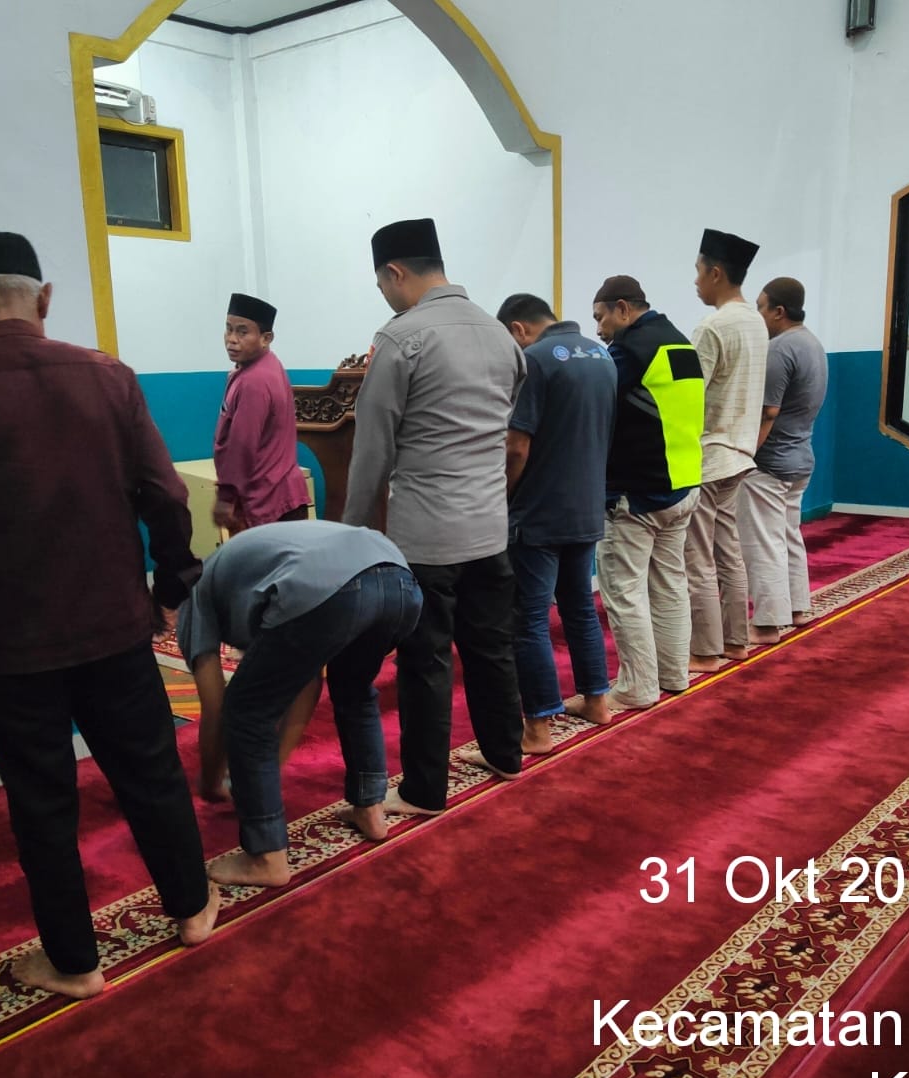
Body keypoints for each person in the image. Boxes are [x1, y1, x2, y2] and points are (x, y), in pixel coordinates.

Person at [0, 231, 219, 1001]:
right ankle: (193, 908)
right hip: (116, 626)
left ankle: (75, 962)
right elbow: (167, 495)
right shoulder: (108, 375)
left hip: (10, 643)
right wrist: (171, 588)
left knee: (42, 804)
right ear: (44, 299)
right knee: (151, 773)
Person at [344, 217, 526, 815]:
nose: (384, 295)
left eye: (382, 284)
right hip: (490, 527)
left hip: (428, 535)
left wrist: (354, 534)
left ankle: (424, 789)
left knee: (426, 660)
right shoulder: (500, 334)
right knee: (491, 646)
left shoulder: (401, 339)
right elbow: (505, 427)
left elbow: (373, 449)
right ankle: (505, 751)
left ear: (396, 272)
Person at [179, 522, 421, 886]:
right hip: (400, 580)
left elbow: (216, 708)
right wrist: (271, 766)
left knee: (246, 712)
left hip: (327, 588)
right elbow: (307, 682)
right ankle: (370, 808)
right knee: (354, 690)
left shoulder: (194, 597)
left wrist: (211, 782)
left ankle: (266, 857)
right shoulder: (245, 575)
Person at [496, 293, 617, 752]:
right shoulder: (601, 356)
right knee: (580, 607)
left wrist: (503, 497)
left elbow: (516, 446)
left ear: (518, 329)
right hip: (585, 504)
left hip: (540, 511)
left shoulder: (535, 360)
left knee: (528, 619)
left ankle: (538, 727)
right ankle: (597, 700)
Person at [590, 275, 704, 711]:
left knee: (625, 591)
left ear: (622, 308)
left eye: (601, 318)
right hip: (683, 484)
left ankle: (637, 687)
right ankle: (673, 674)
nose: (599, 330)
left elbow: (593, 401)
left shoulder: (630, 349)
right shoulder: (679, 341)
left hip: (637, 492)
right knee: (670, 584)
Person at [687, 228, 769, 674]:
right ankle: (736, 641)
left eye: (698, 271)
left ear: (716, 273)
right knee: (729, 551)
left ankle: (703, 651)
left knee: (698, 557)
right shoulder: (755, 321)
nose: (695, 281)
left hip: (708, 455)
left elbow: (688, 396)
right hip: (740, 452)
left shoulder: (712, 327)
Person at [742, 277, 828, 639]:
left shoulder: (779, 349)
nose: (758, 315)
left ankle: (766, 623)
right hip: (800, 457)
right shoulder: (812, 343)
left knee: (764, 543)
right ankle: (797, 607)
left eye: (760, 307)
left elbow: (768, 412)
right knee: (789, 535)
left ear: (778, 311)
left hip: (771, 462)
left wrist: (746, 454)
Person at [212, 292, 310, 534]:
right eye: (228, 329)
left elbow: (242, 445)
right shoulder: (265, 365)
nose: (231, 339)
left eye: (242, 332)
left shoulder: (254, 381)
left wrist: (226, 497)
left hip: (267, 506)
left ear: (266, 338)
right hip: (280, 498)